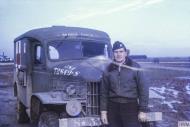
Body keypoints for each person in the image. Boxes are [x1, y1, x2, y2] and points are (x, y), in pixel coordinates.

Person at [100, 41, 149, 127]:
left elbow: (143, 89)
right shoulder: (108, 69)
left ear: (125, 53)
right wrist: (103, 112)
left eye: (121, 51)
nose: (119, 54)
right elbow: (103, 92)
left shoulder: (135, 67)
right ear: (113, 54)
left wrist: (143, 110)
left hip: (130, 107)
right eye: (116, 52)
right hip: (113, 108)